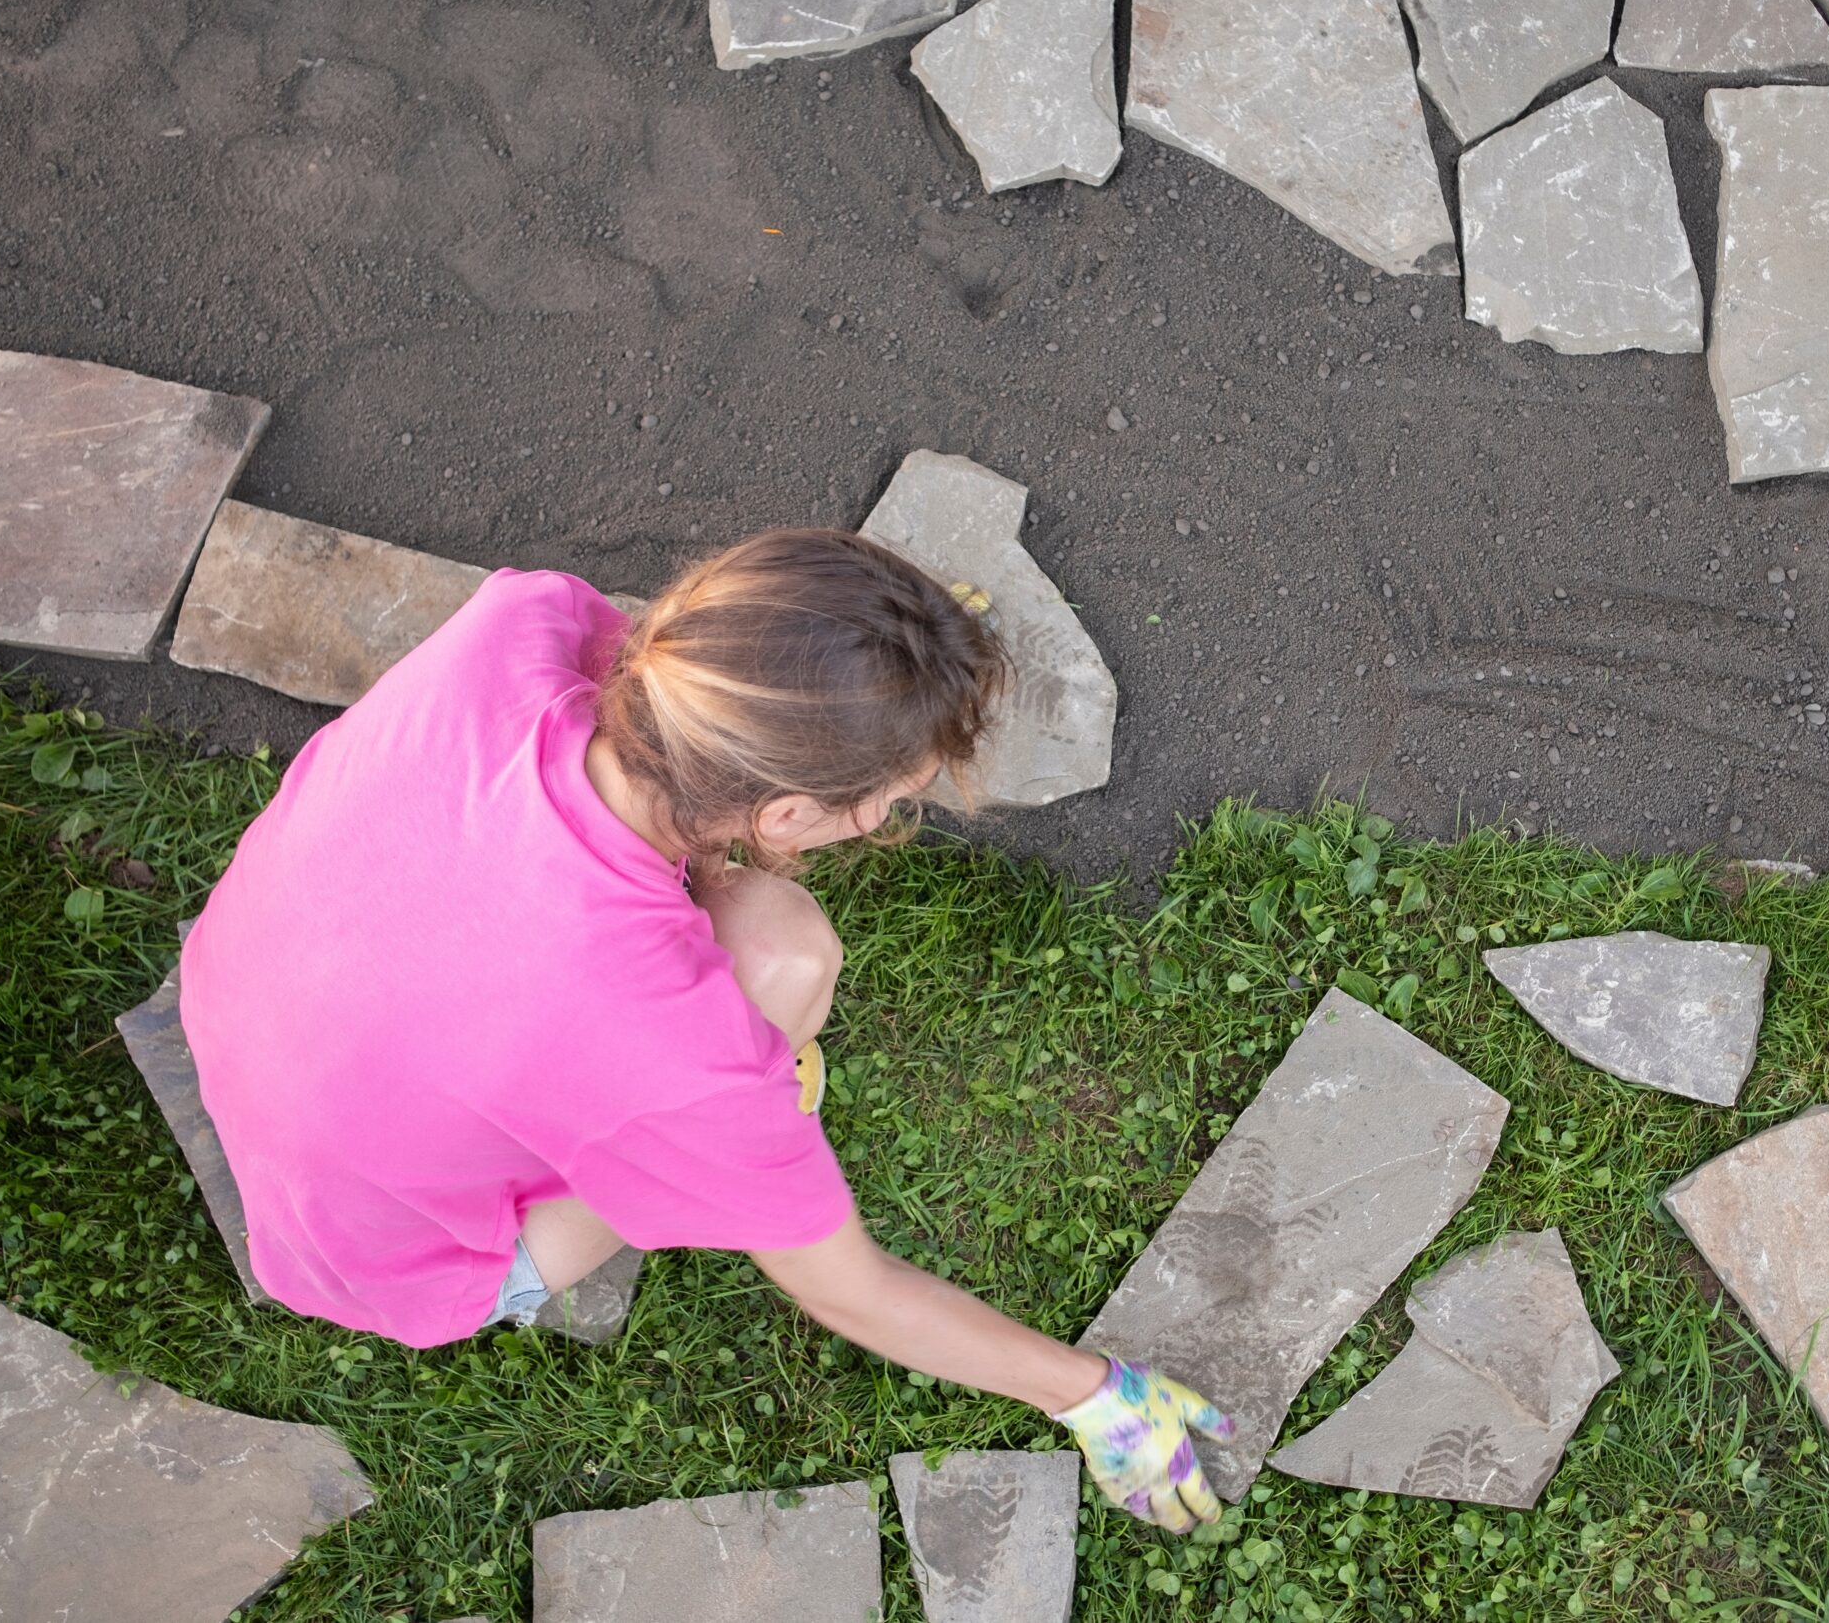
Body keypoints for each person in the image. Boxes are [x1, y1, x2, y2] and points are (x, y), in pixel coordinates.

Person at [178, 529, 1231, 1531]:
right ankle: (693, 1161)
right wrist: (1098, 1398)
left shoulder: (522, 622)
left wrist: (859, 674)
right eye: (887, 800)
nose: (885, 821)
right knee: (785, 954)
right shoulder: (672, 1048)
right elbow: (854, 1292)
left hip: (242, 1001)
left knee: (720, 951)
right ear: (783, 817)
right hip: (387, 1261)